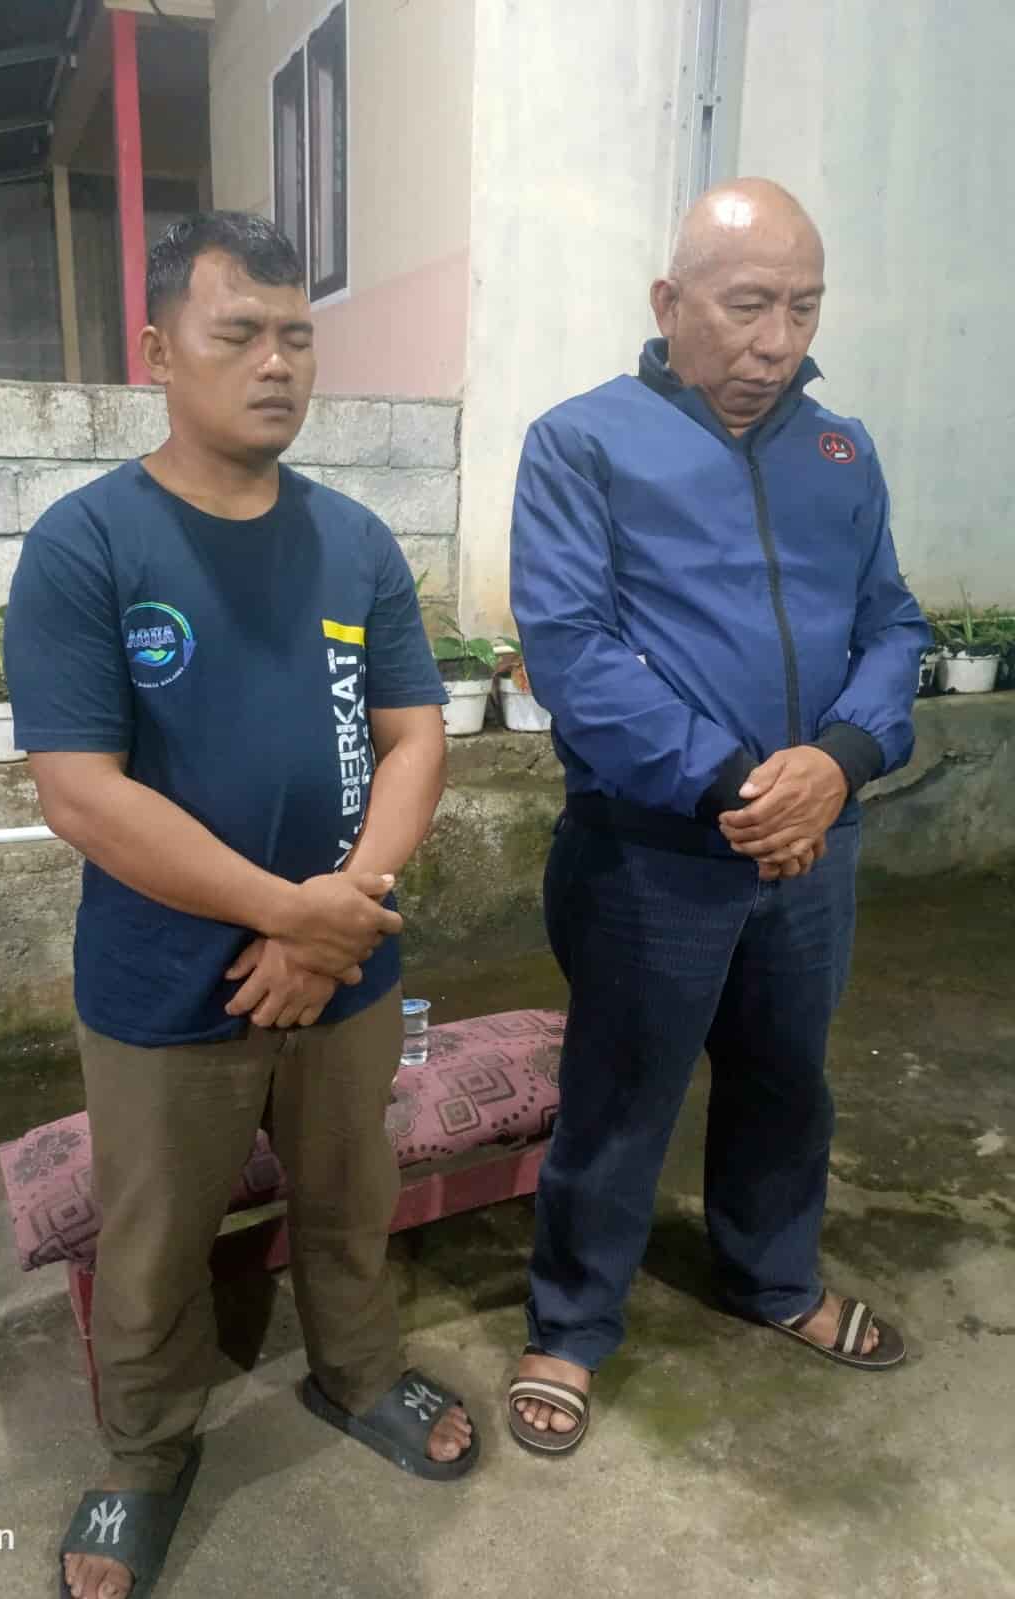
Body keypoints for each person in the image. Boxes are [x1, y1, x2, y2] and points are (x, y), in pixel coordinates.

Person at [5, 211, 476, 1599]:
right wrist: (292, 911)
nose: (278, 363)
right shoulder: (88, 545)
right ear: (158, 352)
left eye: (298, 335)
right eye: (240, 334)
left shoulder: (354, 543)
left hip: (348, 961)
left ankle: (358, 1372)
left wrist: (343, 912)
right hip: (165, 982)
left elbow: (415, 737)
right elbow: (81, 793)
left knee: (349, 1195)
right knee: (154, 1240)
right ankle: (145, 1453)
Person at [506, 179, 930, 1455]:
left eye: (803, 308)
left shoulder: (840, 452)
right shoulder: (583, 443)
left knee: (786, 1078)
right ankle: (571, 1324)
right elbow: (572, 650)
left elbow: (893, 625)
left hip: (816, 847)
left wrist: (839, 765)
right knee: (621, 1093)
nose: (776, 342)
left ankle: (774, 1276)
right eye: (748, 306)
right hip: (655, 849)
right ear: (668, 301)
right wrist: (747, 789)